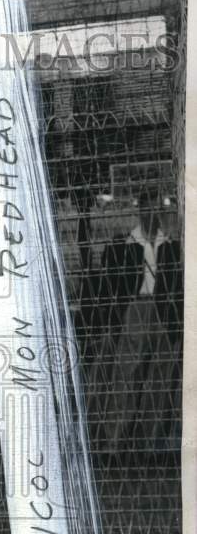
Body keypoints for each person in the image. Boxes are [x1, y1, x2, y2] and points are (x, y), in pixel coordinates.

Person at [97, 192, 182, 456]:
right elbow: (109, 287)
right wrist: (114, 320)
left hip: (164, 313)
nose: (152, 213)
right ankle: (114, 444)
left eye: (156, 208)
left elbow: (179, 284)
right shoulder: (122, 246)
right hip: (134, 310)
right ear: (140, 210)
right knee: (125, 378)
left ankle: (152, 445)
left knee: (161, 379)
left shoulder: (172, 245)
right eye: (147, 208)